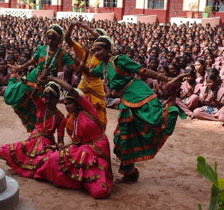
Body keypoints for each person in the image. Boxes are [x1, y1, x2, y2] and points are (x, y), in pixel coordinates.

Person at [79, 35, 186, 182]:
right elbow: (86, 71)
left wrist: (167, 79)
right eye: (94, 50)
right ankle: (130, 172)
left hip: (139, 94)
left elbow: (144, 71)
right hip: (126, 100)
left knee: (155, 121)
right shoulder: (102, 67)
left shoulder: (119, 60)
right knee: (123, 135)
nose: (96, 53)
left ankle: (172, 104)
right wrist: (85, 54)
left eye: (99, 50)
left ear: (108, 50)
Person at [43, 76, 113, 199]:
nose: (67, 106)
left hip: (98, 148)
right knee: (54, 158)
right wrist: (62, 146)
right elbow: (78, 142)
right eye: (65, 104)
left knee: (99, 191)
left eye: (70, 103)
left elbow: (71, 90)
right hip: (85, 148)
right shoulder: (73, 119)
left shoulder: (88, 109)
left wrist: (53, 78)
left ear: (78, 102)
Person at [4, 24, 76, 132]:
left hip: (46, 86)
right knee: (11, 97)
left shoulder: (62, 54)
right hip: (32, 78)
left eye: (54, 38)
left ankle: (37, 134)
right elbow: (32, 61)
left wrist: (82, 55)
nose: (50, 41)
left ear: (60, 39)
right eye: (49, 38)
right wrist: (19, 67)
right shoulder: (41, 49)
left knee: (38, 112)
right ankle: (13, 78)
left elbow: (76, 68)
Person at [0, 79, 66, 179]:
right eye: (46, 97)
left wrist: (58, 148)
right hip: (33, 139)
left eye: (50, 98)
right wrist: (41, 79)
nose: (47, 101)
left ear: (57, 99)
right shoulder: (41, 105)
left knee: (47, 161)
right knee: (5, 150)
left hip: (47, 144)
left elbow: (60, 140)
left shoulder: (61, 117)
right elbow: (34, 95)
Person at [65, 21, 107, 129]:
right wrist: (72, 25)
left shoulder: (103, 56)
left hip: (96, 85)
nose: (90, 42)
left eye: (93, 40)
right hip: (83, 83)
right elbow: (68, 39)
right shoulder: (84, 51)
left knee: (97, 113)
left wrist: (84, 26)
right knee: (75, 106)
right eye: (89, 39)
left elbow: (88, 71)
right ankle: (77, 131)